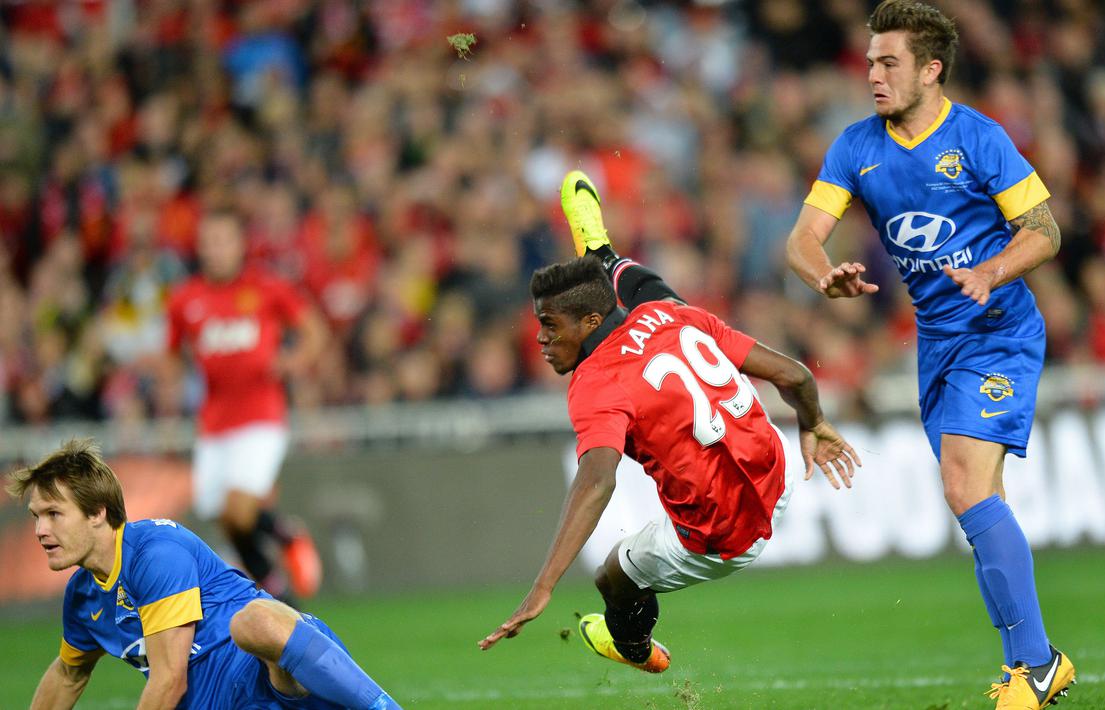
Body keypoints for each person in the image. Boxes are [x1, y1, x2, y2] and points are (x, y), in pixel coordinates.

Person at [783, 2, 1074, 708]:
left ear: (931, 69)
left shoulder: (978, 139)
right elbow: (799, 239)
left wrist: (990, 271)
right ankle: (1032, 668)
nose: (873, 76)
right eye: (869, 62)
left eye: (888, 63)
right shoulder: (855, 147)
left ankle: (1035, 665)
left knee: (961, 486)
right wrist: (824, 273)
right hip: (936, 343)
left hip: (998, 328)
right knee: (977, 499)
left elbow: (1043, 230)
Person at [478, 171, 862, 671]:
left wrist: (543, 586)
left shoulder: (595, 383)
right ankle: (604, 256)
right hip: (776, 474)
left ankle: (636, 650)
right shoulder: (675, 315)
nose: (540, 339)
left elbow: (596, 481)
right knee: (667, 302)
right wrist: (813, 424)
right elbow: (794, 375)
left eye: (551, 326)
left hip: (722, 533)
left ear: (590, 322)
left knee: (612, 578)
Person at [7, 438, 400, 709]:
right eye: (36, 517)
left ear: (97, 513)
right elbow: (68, 675)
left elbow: (170, 681)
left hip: (273, 679)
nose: (40, 531)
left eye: (54, 514)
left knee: (255, 620)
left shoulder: (154, 554)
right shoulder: (82, 596)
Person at [166, 209, 328, 602]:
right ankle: (276, 586)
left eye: (222, 241)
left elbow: (314, 330)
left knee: (240, 509)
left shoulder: (267, 288)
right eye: (207, 242)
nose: (214, 250)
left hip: (261, 415)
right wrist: (172, 398)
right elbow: (172, 355)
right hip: (214, 421)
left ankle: (283, 539)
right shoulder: (186, 299)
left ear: (240, 245)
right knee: (224, 516)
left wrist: (293, 361)